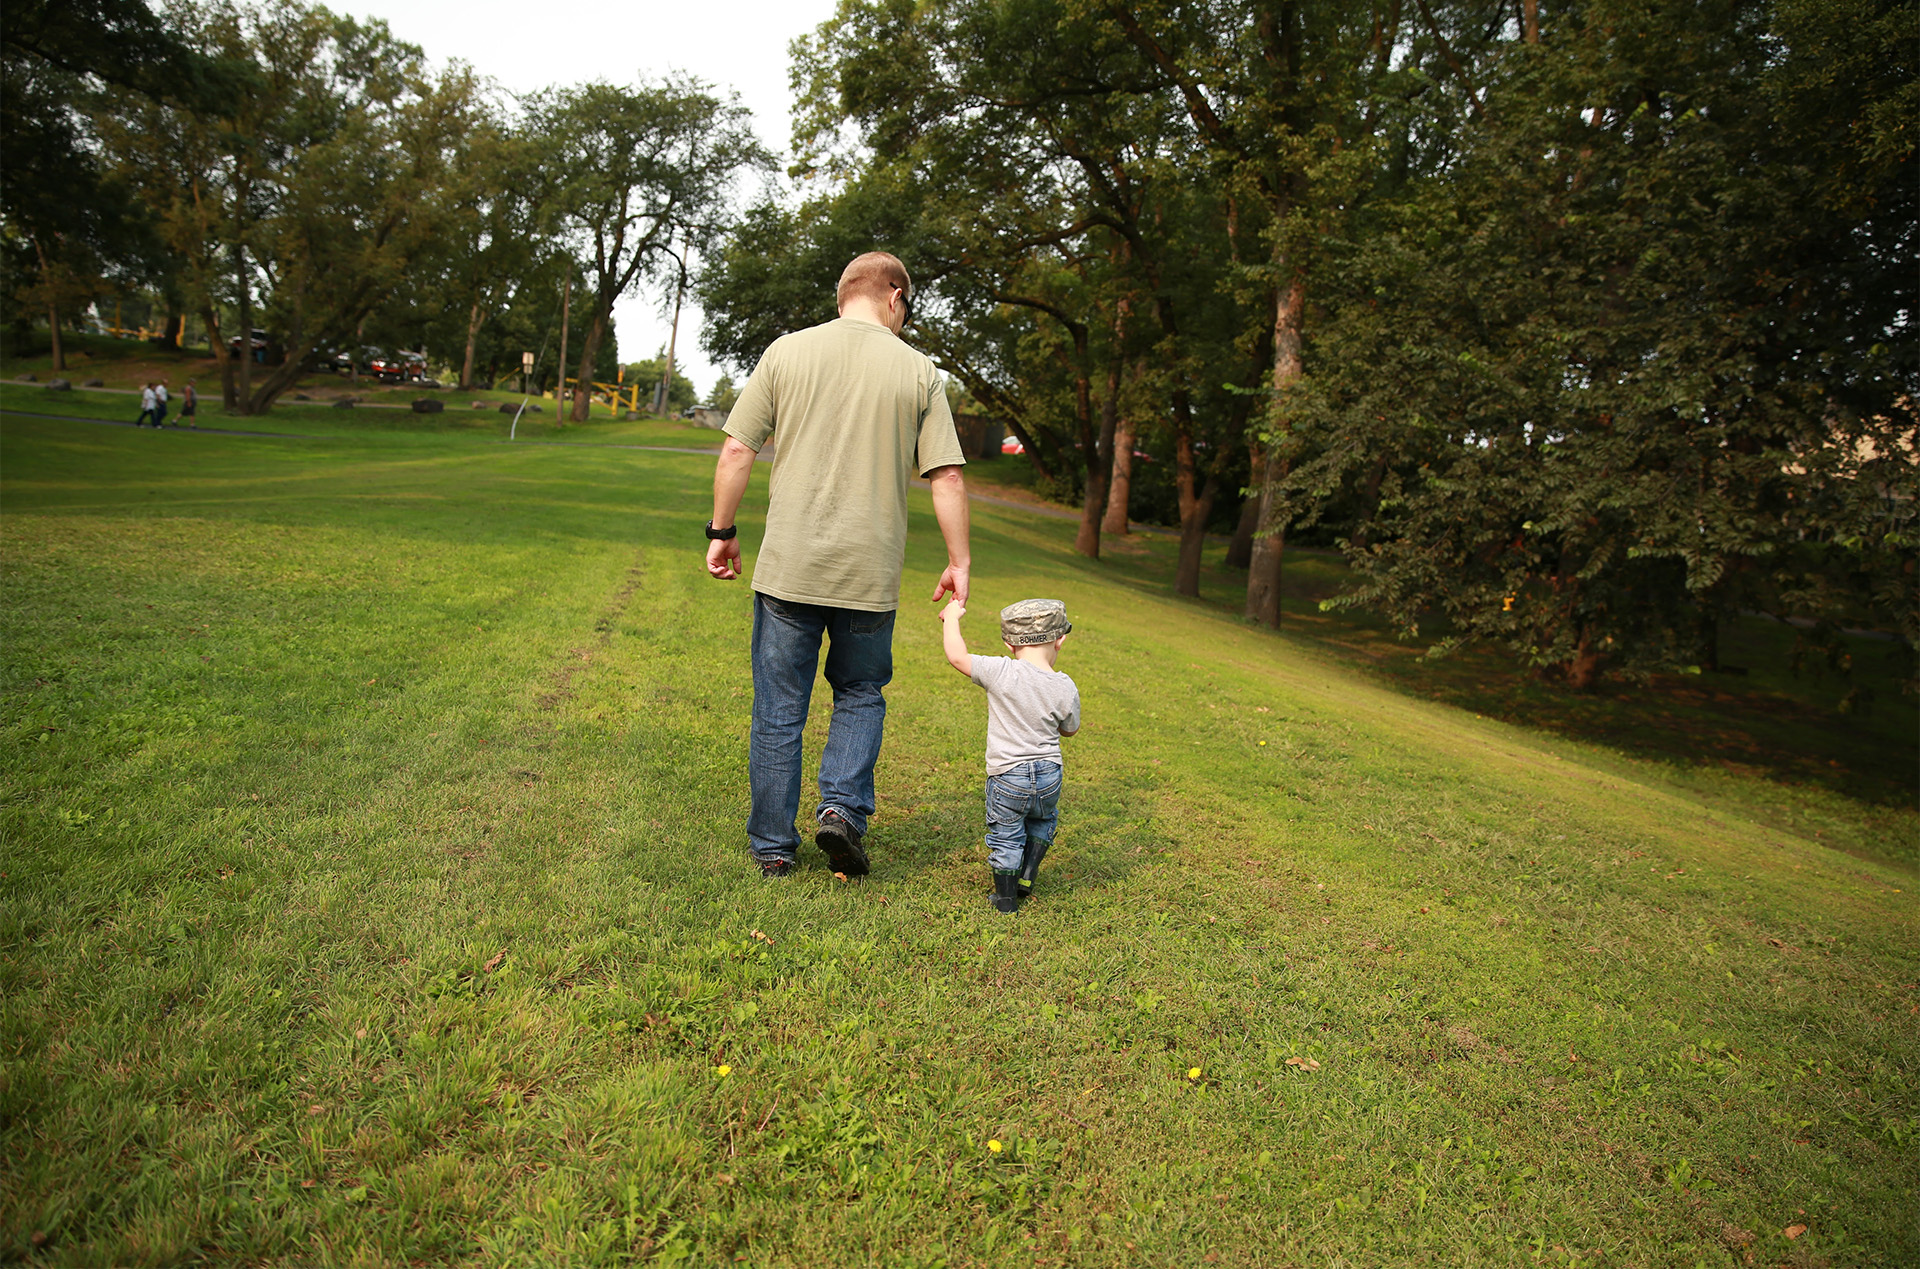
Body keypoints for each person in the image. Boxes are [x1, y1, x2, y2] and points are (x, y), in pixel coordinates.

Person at [706, 251, 971, 879]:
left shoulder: (785, 352)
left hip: (789, 569)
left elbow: (736, 451)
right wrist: (959, 560)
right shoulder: (919, 371)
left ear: (843, 295)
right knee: (858, 692)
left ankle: (773, 848)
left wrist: (721, 531)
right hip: (869, 576)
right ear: (895, 298)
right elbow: (949, 475)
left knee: (778, 709)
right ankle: (843, 812)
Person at [939, 598, 1081, 912]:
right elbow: (1070, 730)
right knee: (1043, 819)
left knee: (1006, 833)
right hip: (1049, 775)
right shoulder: (1065, 685)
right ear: (1060, 640)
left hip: (1008, 776)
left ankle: (1005, 899)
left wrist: (951, 617)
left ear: (1008, 642)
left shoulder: (1001, 670)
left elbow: (957, 656)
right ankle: (1028, 873)